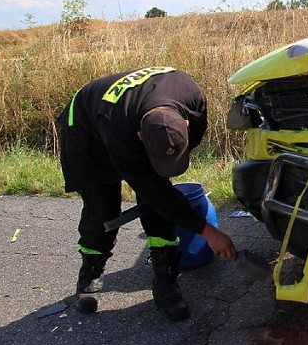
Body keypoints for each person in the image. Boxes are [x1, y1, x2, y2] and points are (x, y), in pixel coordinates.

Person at [57, 66, 237, 321]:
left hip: (131, 114)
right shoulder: (117, 127)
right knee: (103, 212)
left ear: (185, 123)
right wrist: (208, 232)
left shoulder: (193, 98)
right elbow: (153, 190)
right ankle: (90, 272)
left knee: (158, 207)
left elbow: (161, 184)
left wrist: (163, 169)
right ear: (140, 137)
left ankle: (165, 282)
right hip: (88, 126)